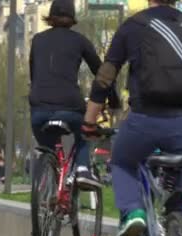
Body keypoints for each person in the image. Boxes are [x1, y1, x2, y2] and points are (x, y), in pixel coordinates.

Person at [83, 0, 182, 236]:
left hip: (144, 120)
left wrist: (90, 119)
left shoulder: (132, 26)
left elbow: (105, 76)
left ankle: (134, 211)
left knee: (123, 163)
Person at [29, 0, 120, 190]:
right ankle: (82, 169)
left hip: (39, 109)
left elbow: (34, 73)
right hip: (69, 106)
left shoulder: (37, 40)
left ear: (50, 17)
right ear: (72, 19)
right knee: (84, 133)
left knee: (48, 148)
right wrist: (113, 98)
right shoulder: (80, 41)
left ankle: (49, 188)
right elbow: (101, 73)